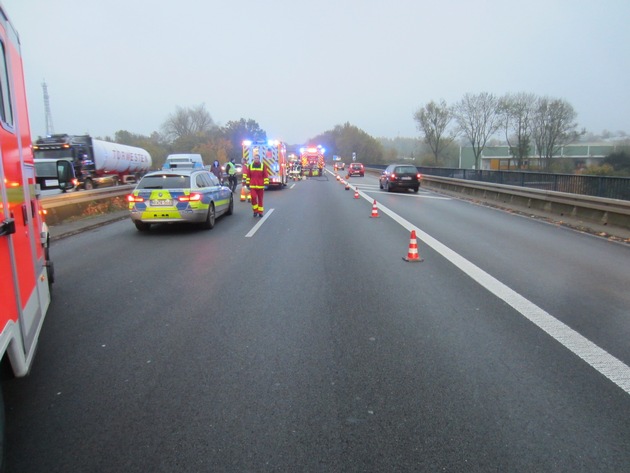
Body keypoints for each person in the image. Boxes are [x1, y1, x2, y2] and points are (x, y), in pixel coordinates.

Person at [242, 149, 269, 217]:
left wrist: (266, 184)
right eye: (255, 158)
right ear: (253, 159)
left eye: (257, 158)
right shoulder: (250, 166)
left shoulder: (262, 166)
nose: (256, 159)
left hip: (260, 186)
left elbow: (265, 175)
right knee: (253, 198)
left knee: (260, 199)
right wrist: (247, 184)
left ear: (259, 159)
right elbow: (248, 176)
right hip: (253, 185)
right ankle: (255, 210)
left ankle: (260, 212)